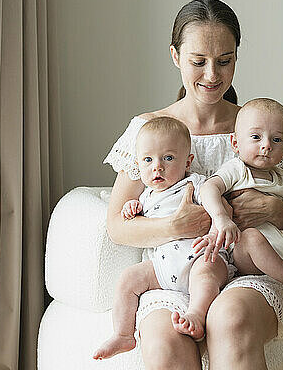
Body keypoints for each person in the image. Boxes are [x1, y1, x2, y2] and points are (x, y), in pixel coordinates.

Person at [103, 0, 283, 369]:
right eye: (198, 62)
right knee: (165, 341)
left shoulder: (257, 127)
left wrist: (273, 210)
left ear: (236, 56)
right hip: (173, 273)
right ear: (175, 57)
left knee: (229, 319)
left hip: (252, 267)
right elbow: (117, 227)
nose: (212, 75)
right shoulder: (148, 130)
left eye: (225, 61)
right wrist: (176, 225)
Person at [93, 117, 235, 360]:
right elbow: (130, 225)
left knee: (204, 275)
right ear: (139, 164)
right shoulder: (146, 196)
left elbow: (220, 205)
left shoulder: (196, 183)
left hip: (201, 255)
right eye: (148, 160)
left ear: (187, 161)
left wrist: (219, 219)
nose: (157, 167)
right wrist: (132, 207)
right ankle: (124, 334)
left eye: (168, 158)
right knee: (129, 279)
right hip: (163, 267)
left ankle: (196, 315)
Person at [198, 98, 283, 303]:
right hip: (246, 255)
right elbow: (209, 187)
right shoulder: (237, 169)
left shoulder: (281, 177)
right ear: (235, 143)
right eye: (256, 137)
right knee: (252, 237)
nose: (267, 145)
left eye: (277, 140)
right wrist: (221, 218)